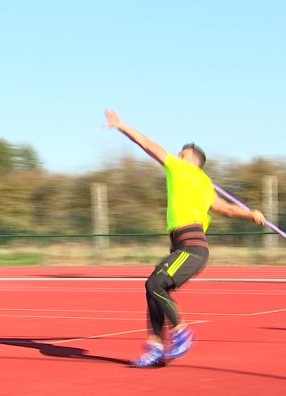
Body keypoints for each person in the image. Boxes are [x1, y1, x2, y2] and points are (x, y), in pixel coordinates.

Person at [104, 109, 266, 368]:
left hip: (191, 246)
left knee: (154, 285)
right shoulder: (204, 184)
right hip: (184, 247)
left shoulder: (183, 170)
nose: (177, 155)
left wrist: (122, 126)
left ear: (193, 160)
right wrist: (250, 214)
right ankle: (156, 346)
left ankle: (181, 330)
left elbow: (146, 144)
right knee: (155, 290)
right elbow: (225, 209)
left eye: (183, 153)